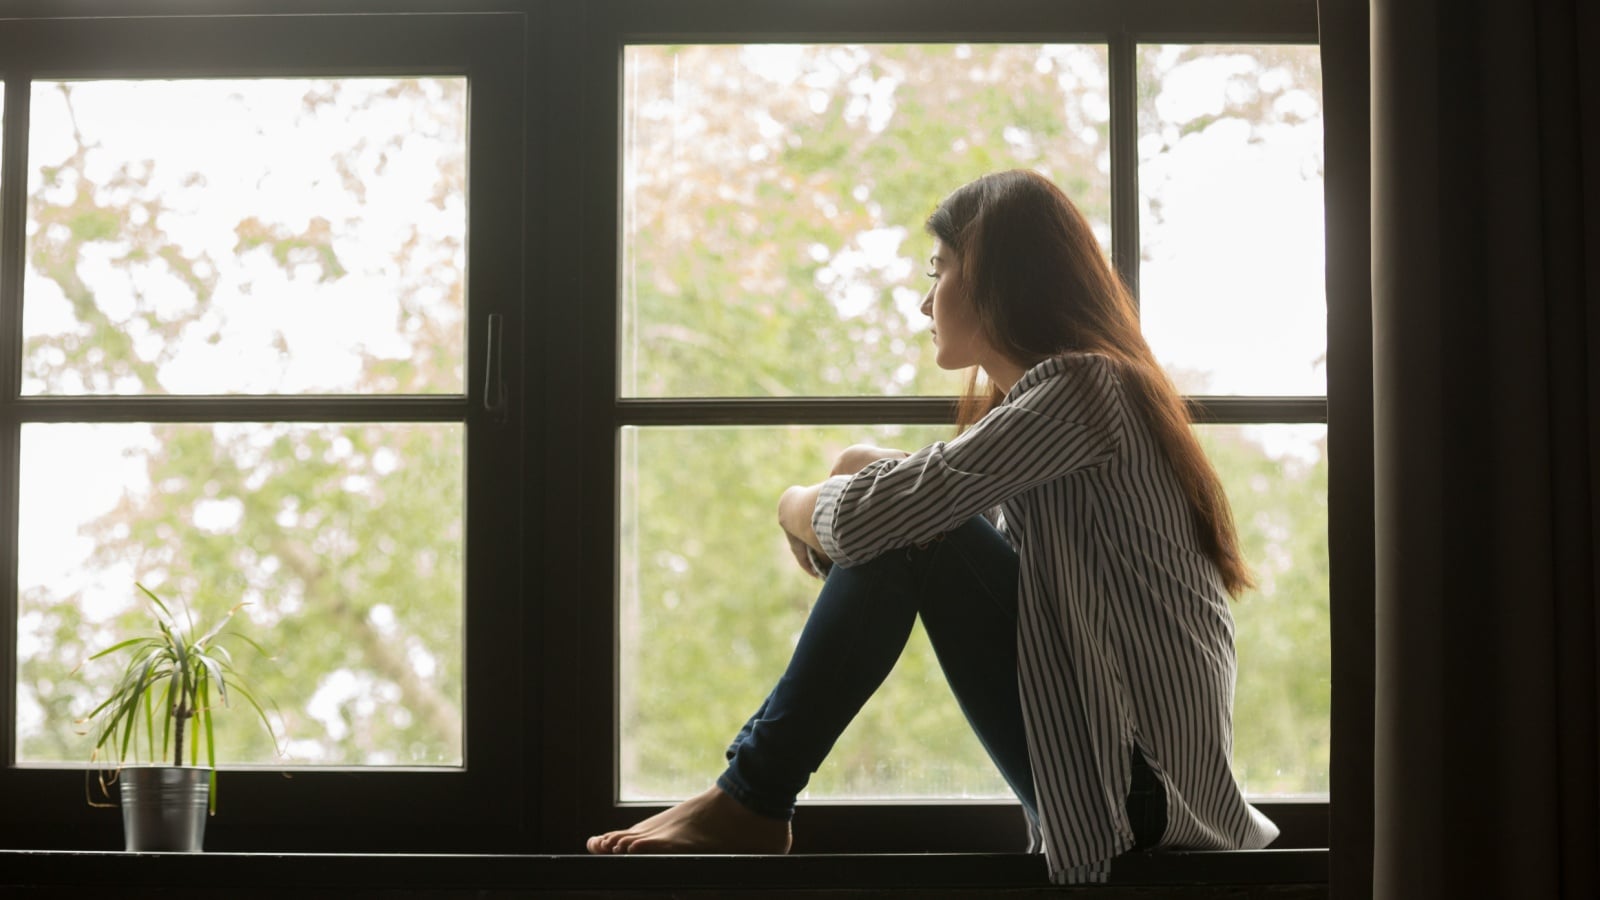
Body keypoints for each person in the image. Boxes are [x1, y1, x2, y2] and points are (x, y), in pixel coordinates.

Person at [585, 169, 1279, 883]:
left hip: (1141, 802)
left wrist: (795, 501)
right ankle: (747, 798)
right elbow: (921, 520)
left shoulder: (1084, 388)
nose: (924, 300)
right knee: (907, 517)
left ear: (1000, 278)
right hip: (1130, 793)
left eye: (939, 269)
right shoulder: (1084, 403)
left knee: (914, 526)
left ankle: (752, 798)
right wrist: (857, 469)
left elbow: (883, 523)